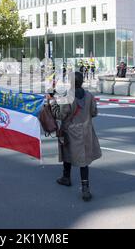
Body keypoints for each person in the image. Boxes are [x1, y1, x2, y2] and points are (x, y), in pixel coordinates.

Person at [47, 72, 102, 202]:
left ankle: (67, 178)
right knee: (84, 160)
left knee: (67, 152)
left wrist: (52, 101)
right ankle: (85, 188)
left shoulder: (68, 97)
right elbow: (94, 112)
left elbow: (59, 115)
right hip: (86, 131)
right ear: (82, 82)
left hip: (70, 131)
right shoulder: (89, 96)